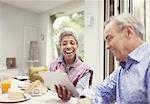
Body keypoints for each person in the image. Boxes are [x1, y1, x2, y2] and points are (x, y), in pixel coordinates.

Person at [78, 13, 150, 104]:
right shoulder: (123, 69)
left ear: (129, 32)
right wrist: (87, 99)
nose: (107, 47)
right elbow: (102, 90)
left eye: (109, 39)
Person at [49, 28, 92, 101]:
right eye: (64, 44)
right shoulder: (53, 64)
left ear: (77, 46)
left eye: (72, 43)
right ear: (60, 46)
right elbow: (49, 88)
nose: (68, 46)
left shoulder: (85, 70)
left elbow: (78, 92)